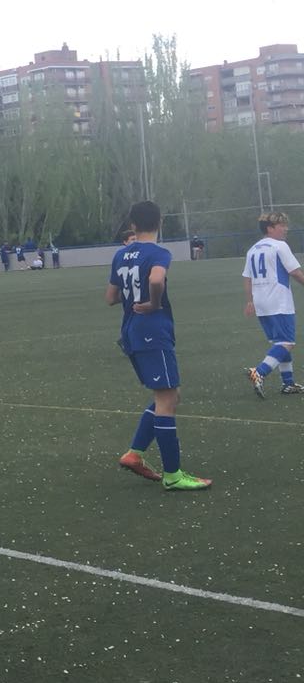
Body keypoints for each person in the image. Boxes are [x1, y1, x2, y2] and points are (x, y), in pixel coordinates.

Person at [109, 201, 211, 490]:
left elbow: (110, 297)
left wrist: (132, 295)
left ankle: (134, 454)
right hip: (152, 331)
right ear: (160, 222)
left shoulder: (121, 255)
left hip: (131, 330)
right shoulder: (158, 252)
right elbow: (156, 279)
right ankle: (173, 475)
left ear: (132, 224)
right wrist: (153, 303)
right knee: (167, 400)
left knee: (169, 395)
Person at [243, 211, 304, 397]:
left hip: (261, 302)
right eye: (281, 225)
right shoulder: (279, 246)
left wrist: (250, 300)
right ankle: (259, 372)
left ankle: (288, 383)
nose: (286, 229)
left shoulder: (253, 249)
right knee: (287, 342)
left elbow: (247, 277)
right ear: (270, 228)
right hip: (278, 300)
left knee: (280, 342)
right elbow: (295, 272)